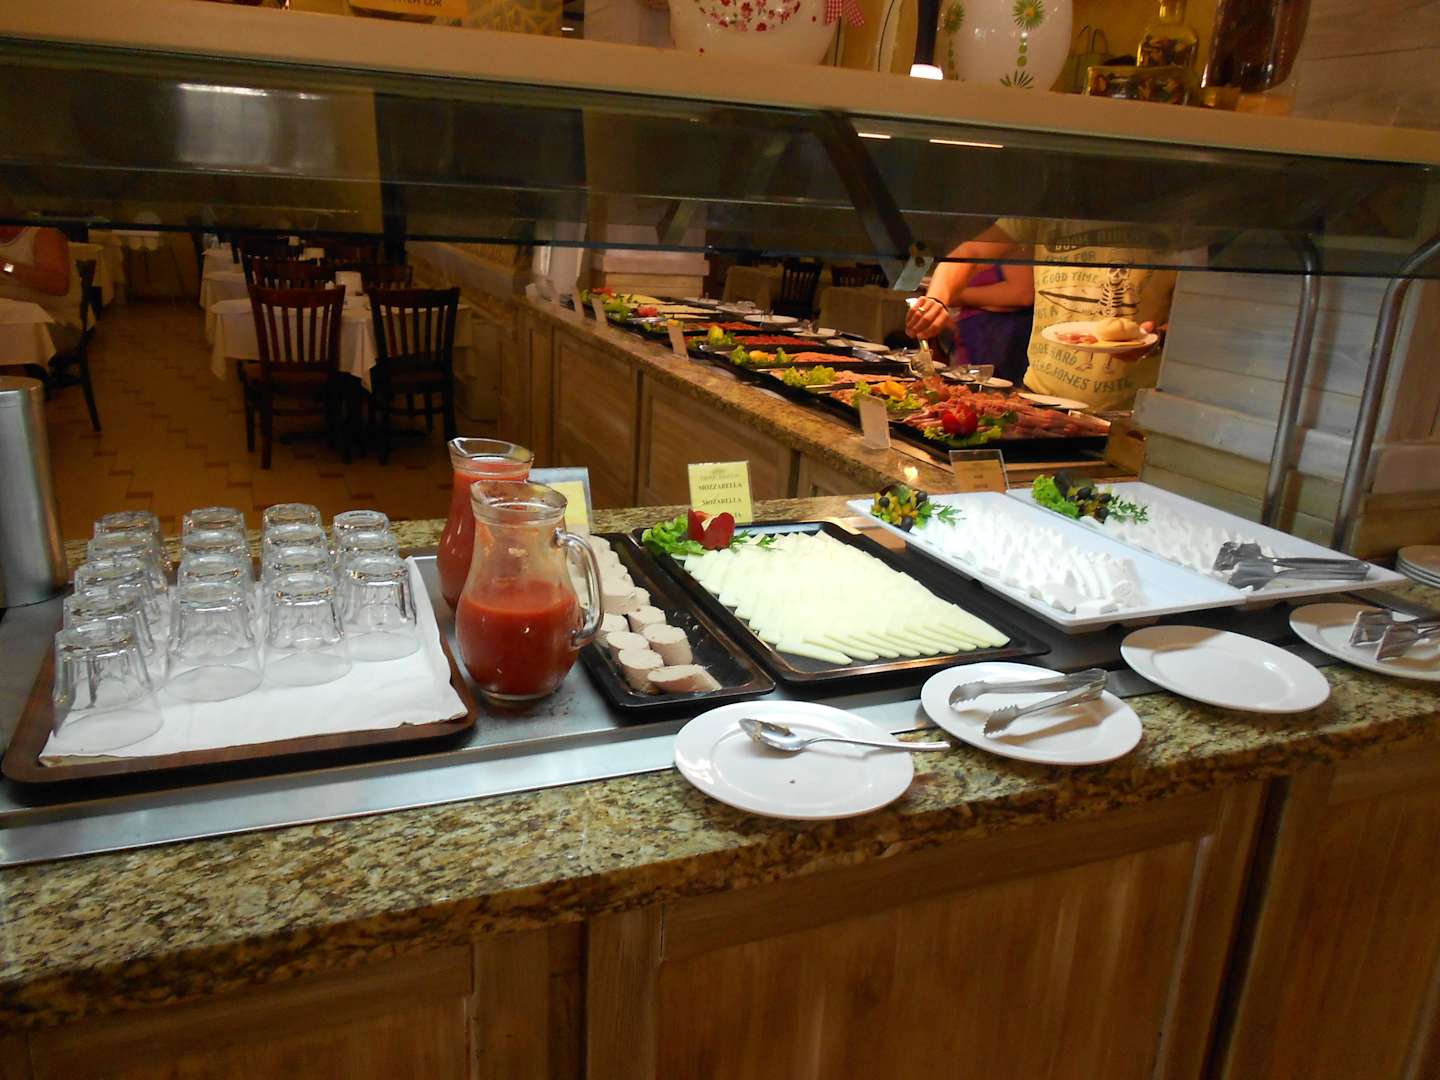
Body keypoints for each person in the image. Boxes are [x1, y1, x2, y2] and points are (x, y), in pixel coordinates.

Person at [906, 220, 1175, 411]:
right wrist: (937, 299)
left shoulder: (1177, 218)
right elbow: (970, 253)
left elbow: (1196, 317)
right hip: (1038, 397)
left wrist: (1159, 338)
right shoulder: (1050, 207)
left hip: (1127, 411)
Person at [0, 224, 83, 354]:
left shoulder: (43, 235)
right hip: (7, 317)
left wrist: (4, 266)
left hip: (55, 322)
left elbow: (57, 285)